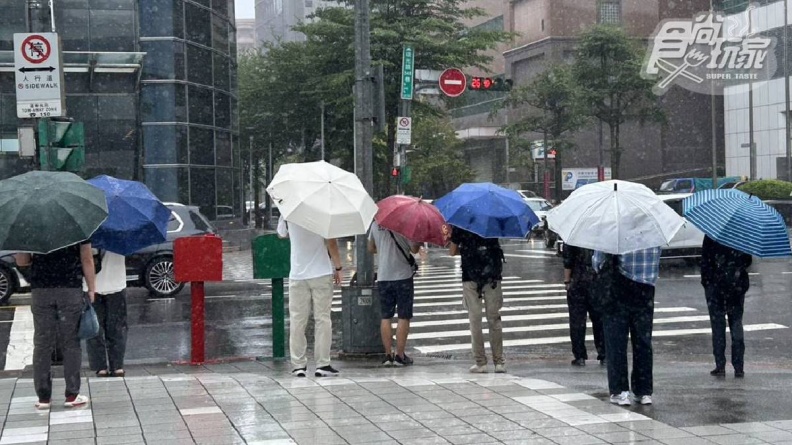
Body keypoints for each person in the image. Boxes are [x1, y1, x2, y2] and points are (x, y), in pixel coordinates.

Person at [15, 241, 96, 409]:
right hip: (70, 288)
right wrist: (91, 288)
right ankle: (72, 394)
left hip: (41, 290)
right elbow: (87, 259)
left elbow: (22, 261)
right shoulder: (77, 228)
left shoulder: (32, 229)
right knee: (71, 342)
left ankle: (43, 397)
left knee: (42, 344)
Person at [593, 247, 661, 406]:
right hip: (646, 287)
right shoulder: (654, 235)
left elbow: (598, 262)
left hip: (619, 285)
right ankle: (643, 390)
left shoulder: (616, 233)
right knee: (643, 341)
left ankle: (619, 390)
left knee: (616, 341)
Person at [277, 215, 343, 377]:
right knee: (322, 319)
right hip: (321, 273)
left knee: (297, 321)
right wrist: (338, 267)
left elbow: (281, 234)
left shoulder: (289, 211)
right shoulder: (322, 212)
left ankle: (298, 365)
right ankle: (323, 364)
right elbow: (331, 242)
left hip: (298, 274)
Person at [448, 226, 506, 373]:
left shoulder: (461, 224)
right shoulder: (492, 221)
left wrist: (467, 249)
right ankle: (499, 362)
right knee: (494, 319)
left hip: (471, 275)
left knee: (475, 320)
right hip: (492, 274)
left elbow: (452, 251)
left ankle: (481, 363)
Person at [367, 221, 421, 366]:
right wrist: (418, 240)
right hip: (403, 276)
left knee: (386, 316)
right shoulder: (406, 224)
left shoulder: (376, 224)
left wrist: (385, 249)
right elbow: (414, 249)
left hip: (384, 276)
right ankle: (400, 356)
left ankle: (388, 355)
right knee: (404, 316)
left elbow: (371, 248)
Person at [700, 235, 752, 378]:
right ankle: (739, 366)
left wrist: (707, 281)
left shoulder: (712, 233)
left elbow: (705, 260)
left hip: (715, 285)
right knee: (736, 324)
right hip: (736, 285)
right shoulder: (741, 234)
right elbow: (747, 260)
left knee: (718, 326)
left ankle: (720, 365)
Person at [84, 250, 128, 378]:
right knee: (117, 327)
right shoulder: (119, 237)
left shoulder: (88, 237)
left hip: (91, 283)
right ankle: (117, 366)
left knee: (93, 327)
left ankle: (100, 367)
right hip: (116, 281)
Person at [563, 243, 605, 367]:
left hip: (578, 280)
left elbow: (568, 260)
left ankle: (579, 356)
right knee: (599, 320)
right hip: (597, 282)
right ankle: (604, 354)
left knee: (577, 321)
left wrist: (567, 281)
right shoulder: (600, 236)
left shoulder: (573, 238)